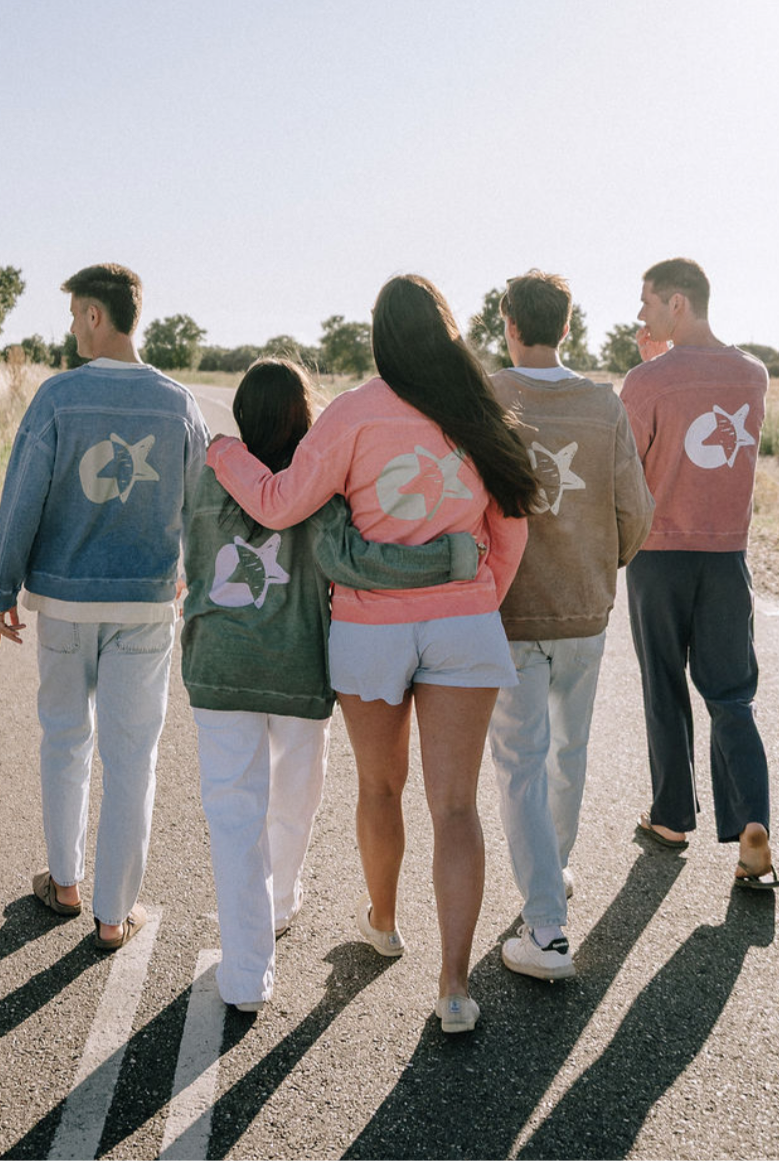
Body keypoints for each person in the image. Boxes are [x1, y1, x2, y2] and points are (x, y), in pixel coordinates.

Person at [208, 274, 538, 1033]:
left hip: (369, 630)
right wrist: (480, 595)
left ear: (380, 337)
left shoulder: (353, 412)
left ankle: (384, 923)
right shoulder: (476, 410)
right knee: (456, 807)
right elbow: (512, 524)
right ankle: (453, 985)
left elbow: (280, 503)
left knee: (380, 787)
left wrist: (224, 453)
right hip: (462, 622)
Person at [183, 357, 483, 1014]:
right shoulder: (316, 486)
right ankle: (279, 902)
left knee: (234, 816)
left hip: (219, 667)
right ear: (305, 418)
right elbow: (353, 560)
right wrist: (451, 557)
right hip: (297, 668)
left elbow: (188, 560)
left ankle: (246, 973)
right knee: (294, 801)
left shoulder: (207, 478)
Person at [0, 264, 209, 950]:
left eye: (74, 314)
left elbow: (21, 497)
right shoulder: (179, 405)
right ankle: (114, 916)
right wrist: (193, 583)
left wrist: (1, 587)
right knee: (132, 757)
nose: (71, 329)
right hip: (145, 606)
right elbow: (202, 510)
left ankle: (64, 882)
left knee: (64, 737)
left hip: (64, 601)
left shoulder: (58, 398)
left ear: (94, 314)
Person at [486, 272, 653, 980]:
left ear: (508, 324)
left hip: (512, 610)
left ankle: (547, 927)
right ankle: (552, 868)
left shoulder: (489, 396)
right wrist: (603, 565)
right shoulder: (603, 403)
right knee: (568, 750)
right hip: (586, 609)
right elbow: (635, 509)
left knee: (520, 763)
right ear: (567, 325)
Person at [619, 258, 779, 890]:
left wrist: (651, 370)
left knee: (664, 683)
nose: (641, 313)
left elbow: (628, 470)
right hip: (726, 556)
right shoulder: (753, 375)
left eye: (648, 301)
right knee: (731, 694)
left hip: (659, 556)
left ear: (677, 303)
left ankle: (670, 819)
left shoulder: (646, 382)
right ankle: (751, 825)